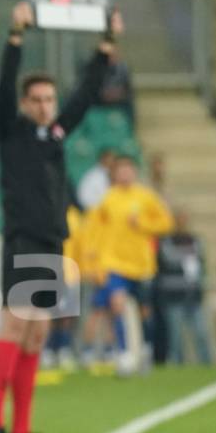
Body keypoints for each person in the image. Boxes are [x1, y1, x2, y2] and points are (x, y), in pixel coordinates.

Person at [0, 1, 121, 433]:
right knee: (15, 327)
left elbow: (85, 96)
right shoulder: (11, 131)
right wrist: (15, 37)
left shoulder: (55, 134)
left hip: (51, 242)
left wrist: (106, 46)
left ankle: (20, 428)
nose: (44, 106)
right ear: (25, 103)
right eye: (36, 99)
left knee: (37, 332)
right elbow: (2, 88)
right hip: (22, 240)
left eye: (48, 99)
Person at [86, 156, 173, 375]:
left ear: (134, 173)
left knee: (145, 311)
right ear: (115, 175)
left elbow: (166, 223)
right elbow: (95, 230)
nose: (124, 174)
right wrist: (94, 260)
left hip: (141, 265)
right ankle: (124, 353)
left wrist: (142, 223)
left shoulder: (145, 197)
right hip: (114, 263)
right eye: (120, 171)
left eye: (128, 170)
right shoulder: (108, 199)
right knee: (118, 305)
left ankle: (145, 350)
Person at [155, 210, 212, 365]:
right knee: (175, 336)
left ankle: (207, 363)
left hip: (193, 295)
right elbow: (168, 259)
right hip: (173, 295)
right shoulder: (166, 240)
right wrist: (186, 259)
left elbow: (200, 262)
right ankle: (176, 363)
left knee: (201, 333)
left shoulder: (195, 240)